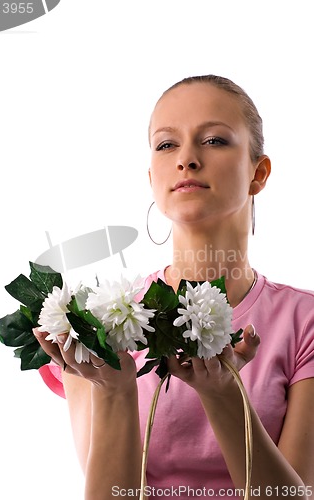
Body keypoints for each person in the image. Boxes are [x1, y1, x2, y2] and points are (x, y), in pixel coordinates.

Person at [33, 75, 314, 500]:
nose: (187, 159)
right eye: (166, 144)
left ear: (259, 173)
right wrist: (116, 391)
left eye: (215, 140)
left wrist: (223, 396)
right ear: (152, 177)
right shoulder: (95, 321)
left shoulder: (304, 322)